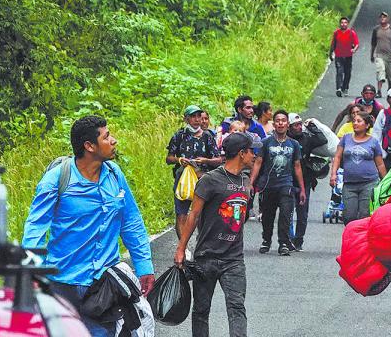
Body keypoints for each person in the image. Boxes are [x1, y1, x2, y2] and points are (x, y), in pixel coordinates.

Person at [22, 115, 155, 337]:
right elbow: (34, 230)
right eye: (107, 136)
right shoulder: (56, 180)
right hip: (63, 284)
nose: (114, 141)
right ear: (89, 146)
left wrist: (144, 266)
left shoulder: (114, 174)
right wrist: (34, 274)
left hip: (104, 282)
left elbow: (130, 220)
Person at [174, 132, 257, 337]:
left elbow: (241, 216)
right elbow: (193, 215)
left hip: (234, 258)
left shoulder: (246, 182)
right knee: (201, 311)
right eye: (251, 151)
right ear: (241, 153)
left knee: (237, 307)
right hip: (207, 257)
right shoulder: (210, 180)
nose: (254, 156)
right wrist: (181, 249)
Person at [251, 110, 306, 256]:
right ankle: (266, 240)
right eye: (278, 120)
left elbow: (297, 166)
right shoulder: (265, 142)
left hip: (286, 184)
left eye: (283, 120)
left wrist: (302, 189)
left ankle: (283, 243)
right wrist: (251, 183)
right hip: (268, 185)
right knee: (268, 216)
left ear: (288, 124)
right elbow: (258, 162)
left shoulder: (293, 144)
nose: (281, 123)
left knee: (285, 215)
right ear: (274, 124)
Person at [166, 105, 222, 239]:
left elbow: (218, 159)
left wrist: (205, 161)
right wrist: (180, 160)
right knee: (181, 213)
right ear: (186, 119)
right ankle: (183, 247)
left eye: (199, 116)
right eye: (193, 116)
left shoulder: (208, 136)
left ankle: (203, 243)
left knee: (204, 213)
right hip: (183, 179)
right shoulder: (179, 135)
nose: (197, 120)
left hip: (204, 179)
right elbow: (168, 158)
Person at [329, 112, 386, 223]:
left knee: (364, 215)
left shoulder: (373, 142)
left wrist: (385, 181)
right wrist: (333, 174)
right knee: (349, 216)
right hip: (349, 184)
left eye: (359, 121)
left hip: (369, 183)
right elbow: (337, 157)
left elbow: (380, 164)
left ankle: (363, 239)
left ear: (367, 125)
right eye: (354, 121)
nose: (355, 123)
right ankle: (351, 238)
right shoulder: (346, 139)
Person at [287, 112, 330, 251]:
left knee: (302, 213)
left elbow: (322, 140)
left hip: (305, 180)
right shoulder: (284, 140)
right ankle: (288, 239)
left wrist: (312, 126)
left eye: (300, 124)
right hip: (286, 180)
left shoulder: (306, 138)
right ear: (289, 127)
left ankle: (298, 240)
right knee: (286, 211)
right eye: (295, 125)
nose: (299, 127)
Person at [369, 12, 391, 94]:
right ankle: (379, 91)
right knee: (380, 71)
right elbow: (373, 43)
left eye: (384, 17)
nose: (382, 19)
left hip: (390, 55)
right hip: (379, 55)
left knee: (390, 74)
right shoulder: (376, 29)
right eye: (381, 17)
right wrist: (372, 54)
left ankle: (389, 87)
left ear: (388, 19)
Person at [330, 16, 360, 97]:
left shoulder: (351, 33)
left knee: (347, 73)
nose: (343, 24)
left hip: (348, 56)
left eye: (345, 23)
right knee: (339, 71)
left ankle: (345, 87)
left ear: (347, 24)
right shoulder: (336, 33)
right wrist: (331, 53)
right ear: (340, 24)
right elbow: (333, 44)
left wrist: (354, 50)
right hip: (339, 55)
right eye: (342, 22)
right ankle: (338, 88)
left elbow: (357, 43)